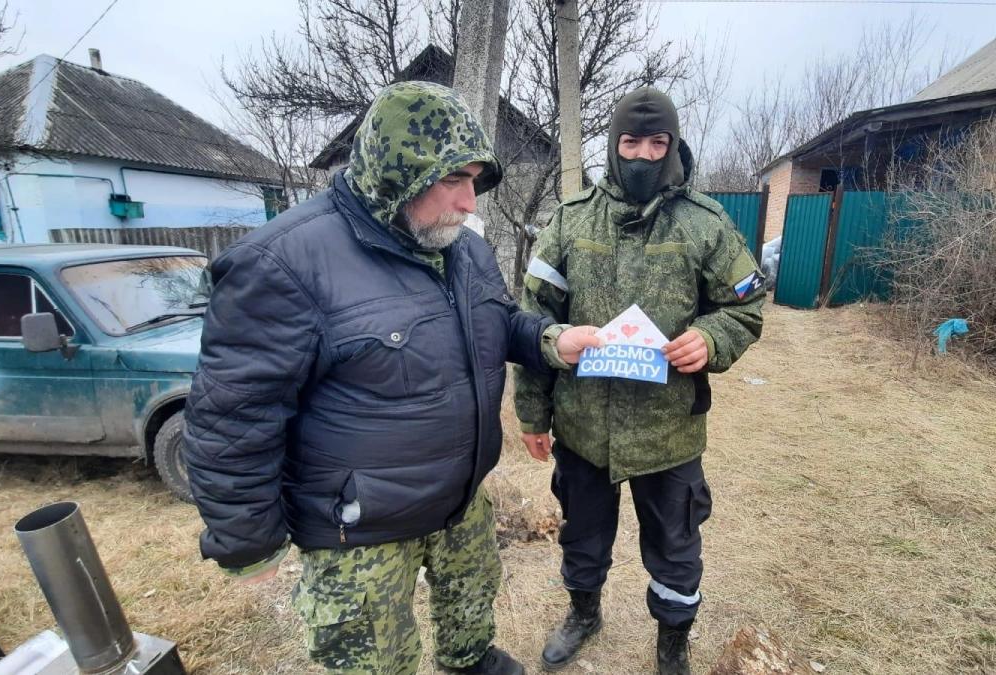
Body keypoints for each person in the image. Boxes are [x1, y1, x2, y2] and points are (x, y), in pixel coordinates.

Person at [183, 81, 599, 675]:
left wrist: (552, 340)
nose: (470, 202)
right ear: (396, 174)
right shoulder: (283, 262)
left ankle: (468, 661)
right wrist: (248, 539)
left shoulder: (461, 248)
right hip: (360, 529)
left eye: (474, 181)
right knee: (377, 661)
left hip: (459, 498)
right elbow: (234, 413)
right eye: (453, 180)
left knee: (472, 605)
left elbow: (497, 321)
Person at [514, 87, 765, 674]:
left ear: (672, 145)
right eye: (631, 142)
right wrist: (532, 415)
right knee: (582, 535)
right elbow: (534, 320)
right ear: (613, 144)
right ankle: (583, 614)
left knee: (676, 546)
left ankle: (673, 639)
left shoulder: (705, 223)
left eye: (657, 143)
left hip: (667, 432)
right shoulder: (571, 220)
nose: (644, 155)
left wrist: (711, 338)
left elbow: (746, 306)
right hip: (583, 426)